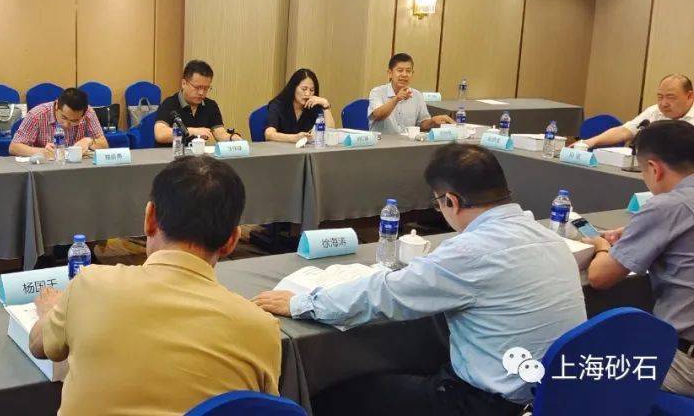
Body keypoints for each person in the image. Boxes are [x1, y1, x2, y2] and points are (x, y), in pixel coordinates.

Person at [253, 144, 586, 416]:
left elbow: (384, 295)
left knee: (335, 398)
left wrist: (302, 303)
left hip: (487, 403)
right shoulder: (550, 238)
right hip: (556, 395)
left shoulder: (471, 252)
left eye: (438, 204)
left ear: (451, 201)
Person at [28, 156, 281, 415]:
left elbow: (38, 344)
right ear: (232, 241)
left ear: (149, 218)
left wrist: (52, 309)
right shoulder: (261, 329)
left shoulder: (89, 285)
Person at [580, 120, 694, 396]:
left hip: (684, 365)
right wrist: (639, 232)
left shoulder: (667, 206)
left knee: (580, 362)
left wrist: (601, 246)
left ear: (654, 168)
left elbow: (600, 277)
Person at [581, 74, 694, 149]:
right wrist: (590, 142)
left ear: (689, 96)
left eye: (671, 97)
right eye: (660, 97)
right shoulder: (654, 111)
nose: (664, 103)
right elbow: (625, 131)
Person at [154, 60, 244, 146]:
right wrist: (192, 131)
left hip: (199, 155)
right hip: (172, 154)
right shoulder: (169, 104)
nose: (201, 93)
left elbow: (219, 133)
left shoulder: (210, 105)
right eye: (197, 87)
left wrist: (232, 137)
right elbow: (160, 134)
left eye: (206, 88)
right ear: (184, 83)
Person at [9, 87, 108, 158]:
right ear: (56, 106)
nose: (67, 125)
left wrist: (89, 141)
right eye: (64, 117)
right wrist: (43, 152)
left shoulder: (89, 113)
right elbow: (14, 147)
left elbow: (104, 145)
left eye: (74, 121)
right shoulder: (37, 115)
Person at [367, 53, 454, 134]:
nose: (404, 74)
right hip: (382, 143)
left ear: (412, 73)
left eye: (408, 71)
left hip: (407, 143)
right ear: (390, 73)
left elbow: (422, 124)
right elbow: (378, 115)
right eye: (400, 70)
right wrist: (396, 99)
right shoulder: (377, 92)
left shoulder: (417, 95)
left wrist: (433, 120)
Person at [264, 68, 334, 143]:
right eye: (304, 89)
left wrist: (325, 105)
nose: (308, 94)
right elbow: (269, 134)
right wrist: (294, 138)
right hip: (280, 149)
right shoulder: (278, 105)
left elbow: (330, 131)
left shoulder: (314, 105)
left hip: (307, 149)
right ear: (293, 88)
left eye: (312, 90)